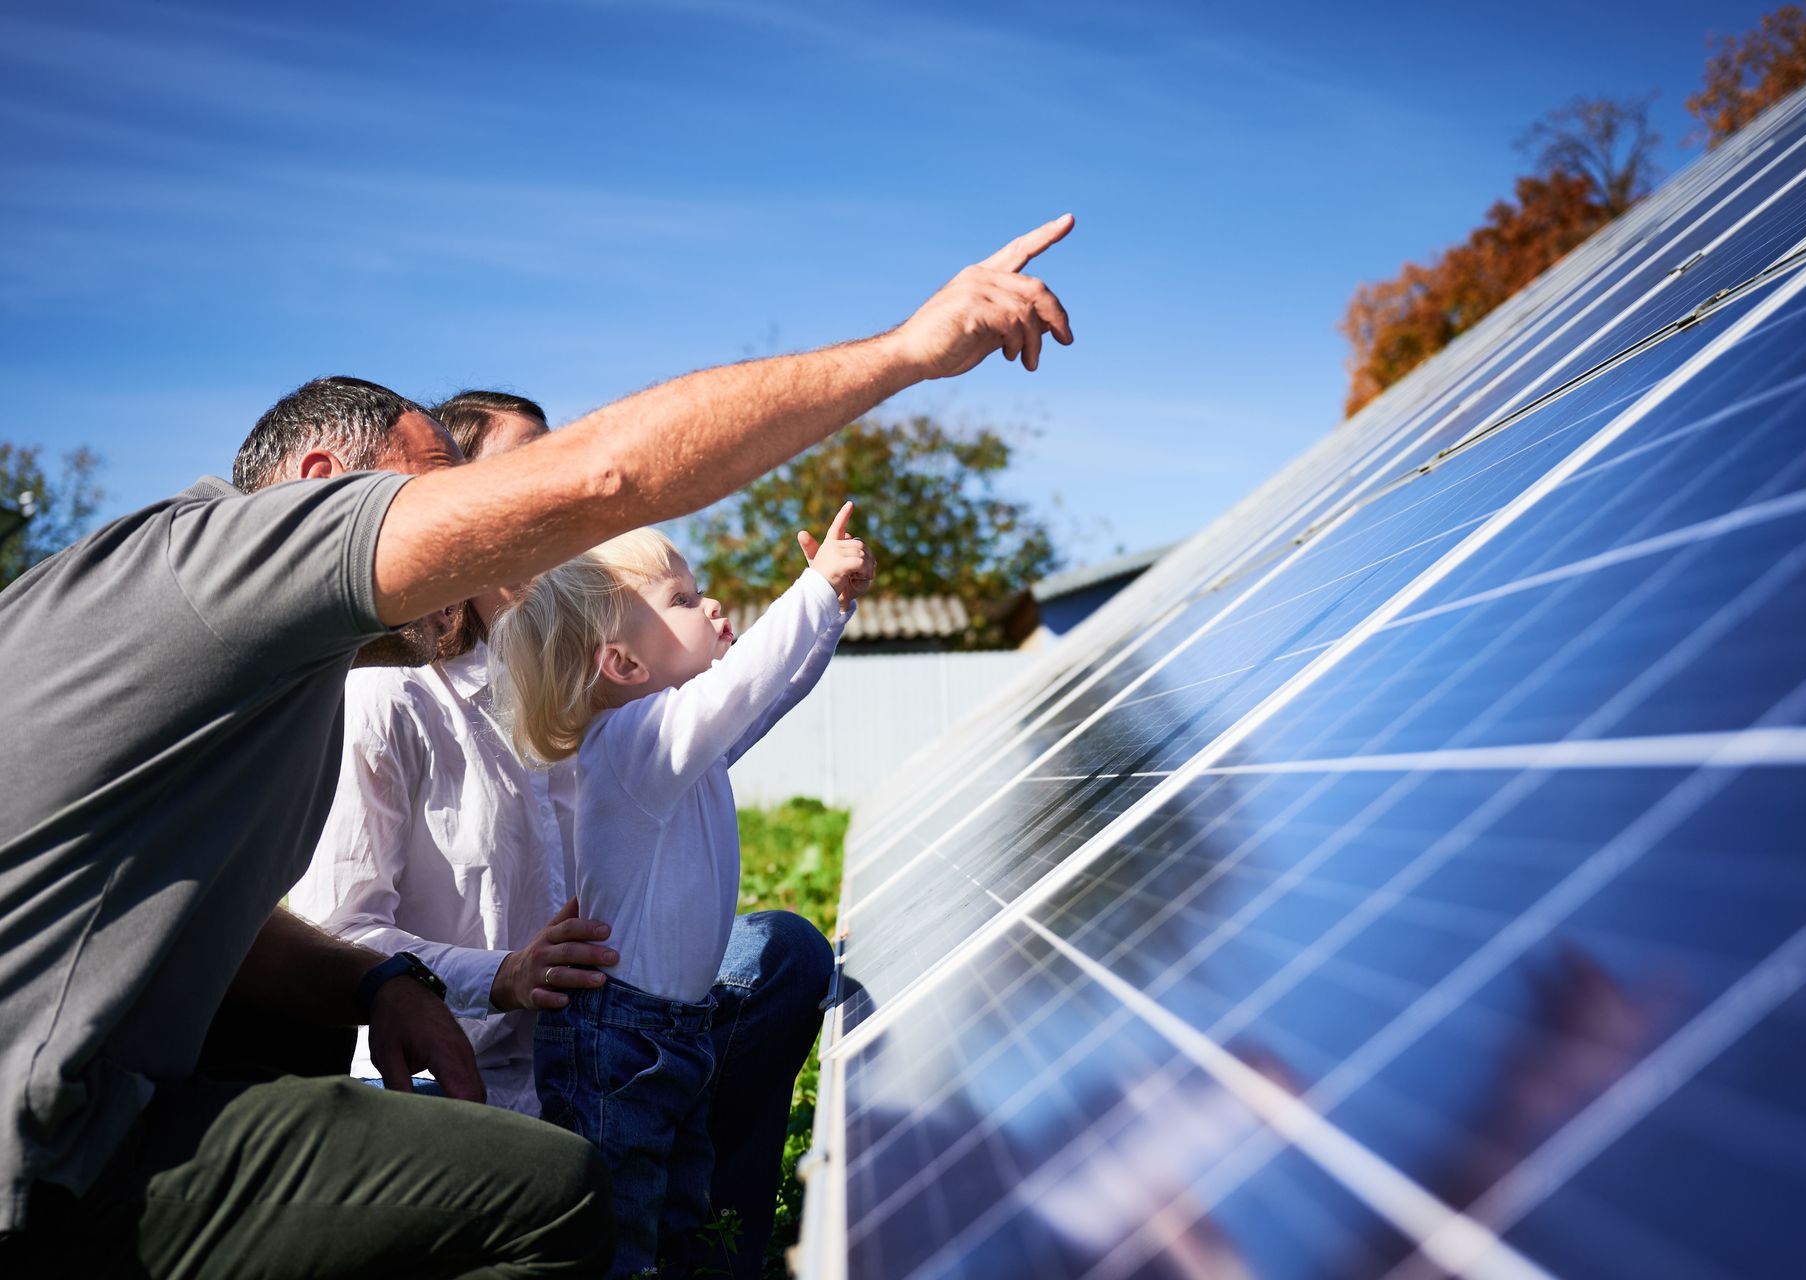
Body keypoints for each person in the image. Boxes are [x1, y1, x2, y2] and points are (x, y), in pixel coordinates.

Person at [0, 216, 1075, 1274]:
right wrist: (906, 351)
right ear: (323, 487)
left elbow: (209, 923)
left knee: (775, 957)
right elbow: (605, 477)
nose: (508, 541)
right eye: (459, 501)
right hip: (57, 1151)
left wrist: (382, 986)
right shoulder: (243, 583)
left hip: (265, 1075)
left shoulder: (293, 675)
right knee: (556, 1191)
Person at [288, 388, 832, 1273]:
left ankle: (713, 1246)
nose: (554, 497)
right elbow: (336, 934)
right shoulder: (387, 695)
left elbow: (739, 706)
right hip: (456, 1075)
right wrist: (504, 975)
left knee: (780, 955)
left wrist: (813, 616)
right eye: (522, 475)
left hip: (616, 1041)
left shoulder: (603, 685)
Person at [485, 512, 872, 1277]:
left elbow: (769, 693)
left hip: (670, 1029)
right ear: (624, 662)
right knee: (617, 1226)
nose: (712, 605)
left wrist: (831, 610)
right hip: (620, 1040)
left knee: (678, 1205)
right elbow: (745, 681)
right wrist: (813, 589)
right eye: (684, 600)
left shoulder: (676, 747)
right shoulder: (634, 743)